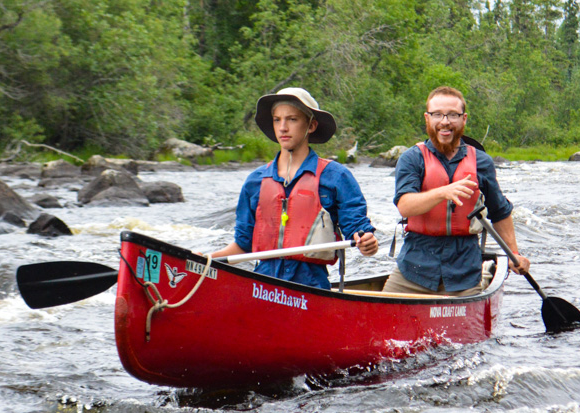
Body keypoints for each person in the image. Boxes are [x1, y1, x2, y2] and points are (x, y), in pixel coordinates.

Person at [208, 88, 378, 289]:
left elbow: (358, 230)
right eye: (277, 120)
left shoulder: (336, 177)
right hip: (263, 286)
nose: (283, 128)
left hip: (311, 287)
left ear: (311, 126)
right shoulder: (255, 182)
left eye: (292, 119)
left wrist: (367, 242)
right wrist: (203, 259)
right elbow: (242, 245)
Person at [386, 86, 529, 296]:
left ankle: (485, 272)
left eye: (453, 115)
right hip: (414, 268)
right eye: (437, 114)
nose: (445, 121)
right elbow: (405, 206)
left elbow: (500, 211)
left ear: (464, 119)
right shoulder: (411, 159)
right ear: (427, 119)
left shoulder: (481, 162)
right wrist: (442, 192)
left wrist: (514, 254)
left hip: (464, 270)